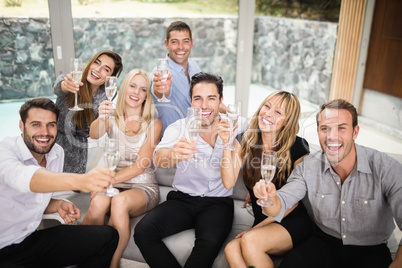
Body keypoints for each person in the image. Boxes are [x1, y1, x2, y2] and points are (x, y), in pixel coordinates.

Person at [254, 99, 402, 268]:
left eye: (341, 128)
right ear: (318, 131)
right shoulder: (307, 166)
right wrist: (271, 198)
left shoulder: (386, 168)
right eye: (325, 128)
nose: (332, 136)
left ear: (355, 132)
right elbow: (280, 204)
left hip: (370, 250)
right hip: (322, 242)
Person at [134, 72, 242, 268]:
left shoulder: (236, 126)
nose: (204, 105)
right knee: (143, 231)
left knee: (207, 246)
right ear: (190, 101)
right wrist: (174, 154)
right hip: (183, 199)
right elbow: (159, 158)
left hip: (218, 203)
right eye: (198, 99)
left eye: (211, 98)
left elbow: (266, 126)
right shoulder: (179, 128)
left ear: (221, 101)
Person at [0, 98, 119, 267]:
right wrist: (80, 181)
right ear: (21, 126)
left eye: (51, 124)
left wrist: (56, 205)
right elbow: (26, 178)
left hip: (29, 240)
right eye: (36, 124)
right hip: (3, 248)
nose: (45, 132)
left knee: (107, 236)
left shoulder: (56, 152)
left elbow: (30, 197)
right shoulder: (5, 151)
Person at [222, 90, 313, 268]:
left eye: (278, 112)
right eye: (267, 106)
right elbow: (228, 182)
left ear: (288, 121)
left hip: (290, 219)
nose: (268, 114)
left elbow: (293, 201)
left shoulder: (298, 147)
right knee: (231, 249)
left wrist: (256, 229)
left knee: (250, 241)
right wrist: (226, 143)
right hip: (262, 221)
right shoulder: (244, 140)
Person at [82, 69, 162, 268]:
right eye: (133, 86)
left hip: (142, 186)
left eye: (143, 89)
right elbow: (93, 134)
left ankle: (112, 264)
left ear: (146, 95)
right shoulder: (112, 117)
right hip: (114, 183)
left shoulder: (155, 124)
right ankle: (83, 257)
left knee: (118, 202)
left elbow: (139, 166)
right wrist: (101, 118)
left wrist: (105, 182)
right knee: (99, 204)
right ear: (124, 88)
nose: (136, 92)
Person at [53, 50, 123, 174]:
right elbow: (59, 86)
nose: (97, 69)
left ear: (110, 77)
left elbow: (96, 131)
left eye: (106, 69)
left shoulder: (106, 95)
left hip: (77, 153)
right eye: (97, 63)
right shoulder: (71, 80)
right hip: (53, 144)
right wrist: (64, 85)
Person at [151, 20, 201, 133]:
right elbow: (160, 91)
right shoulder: (160, 72)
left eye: (185, 41)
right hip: (171, 143)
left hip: (195, 136)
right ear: (166, 44)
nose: (181, 47)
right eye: (174, 42)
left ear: (192, 43)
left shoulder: (194, 66)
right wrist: (161, 90)